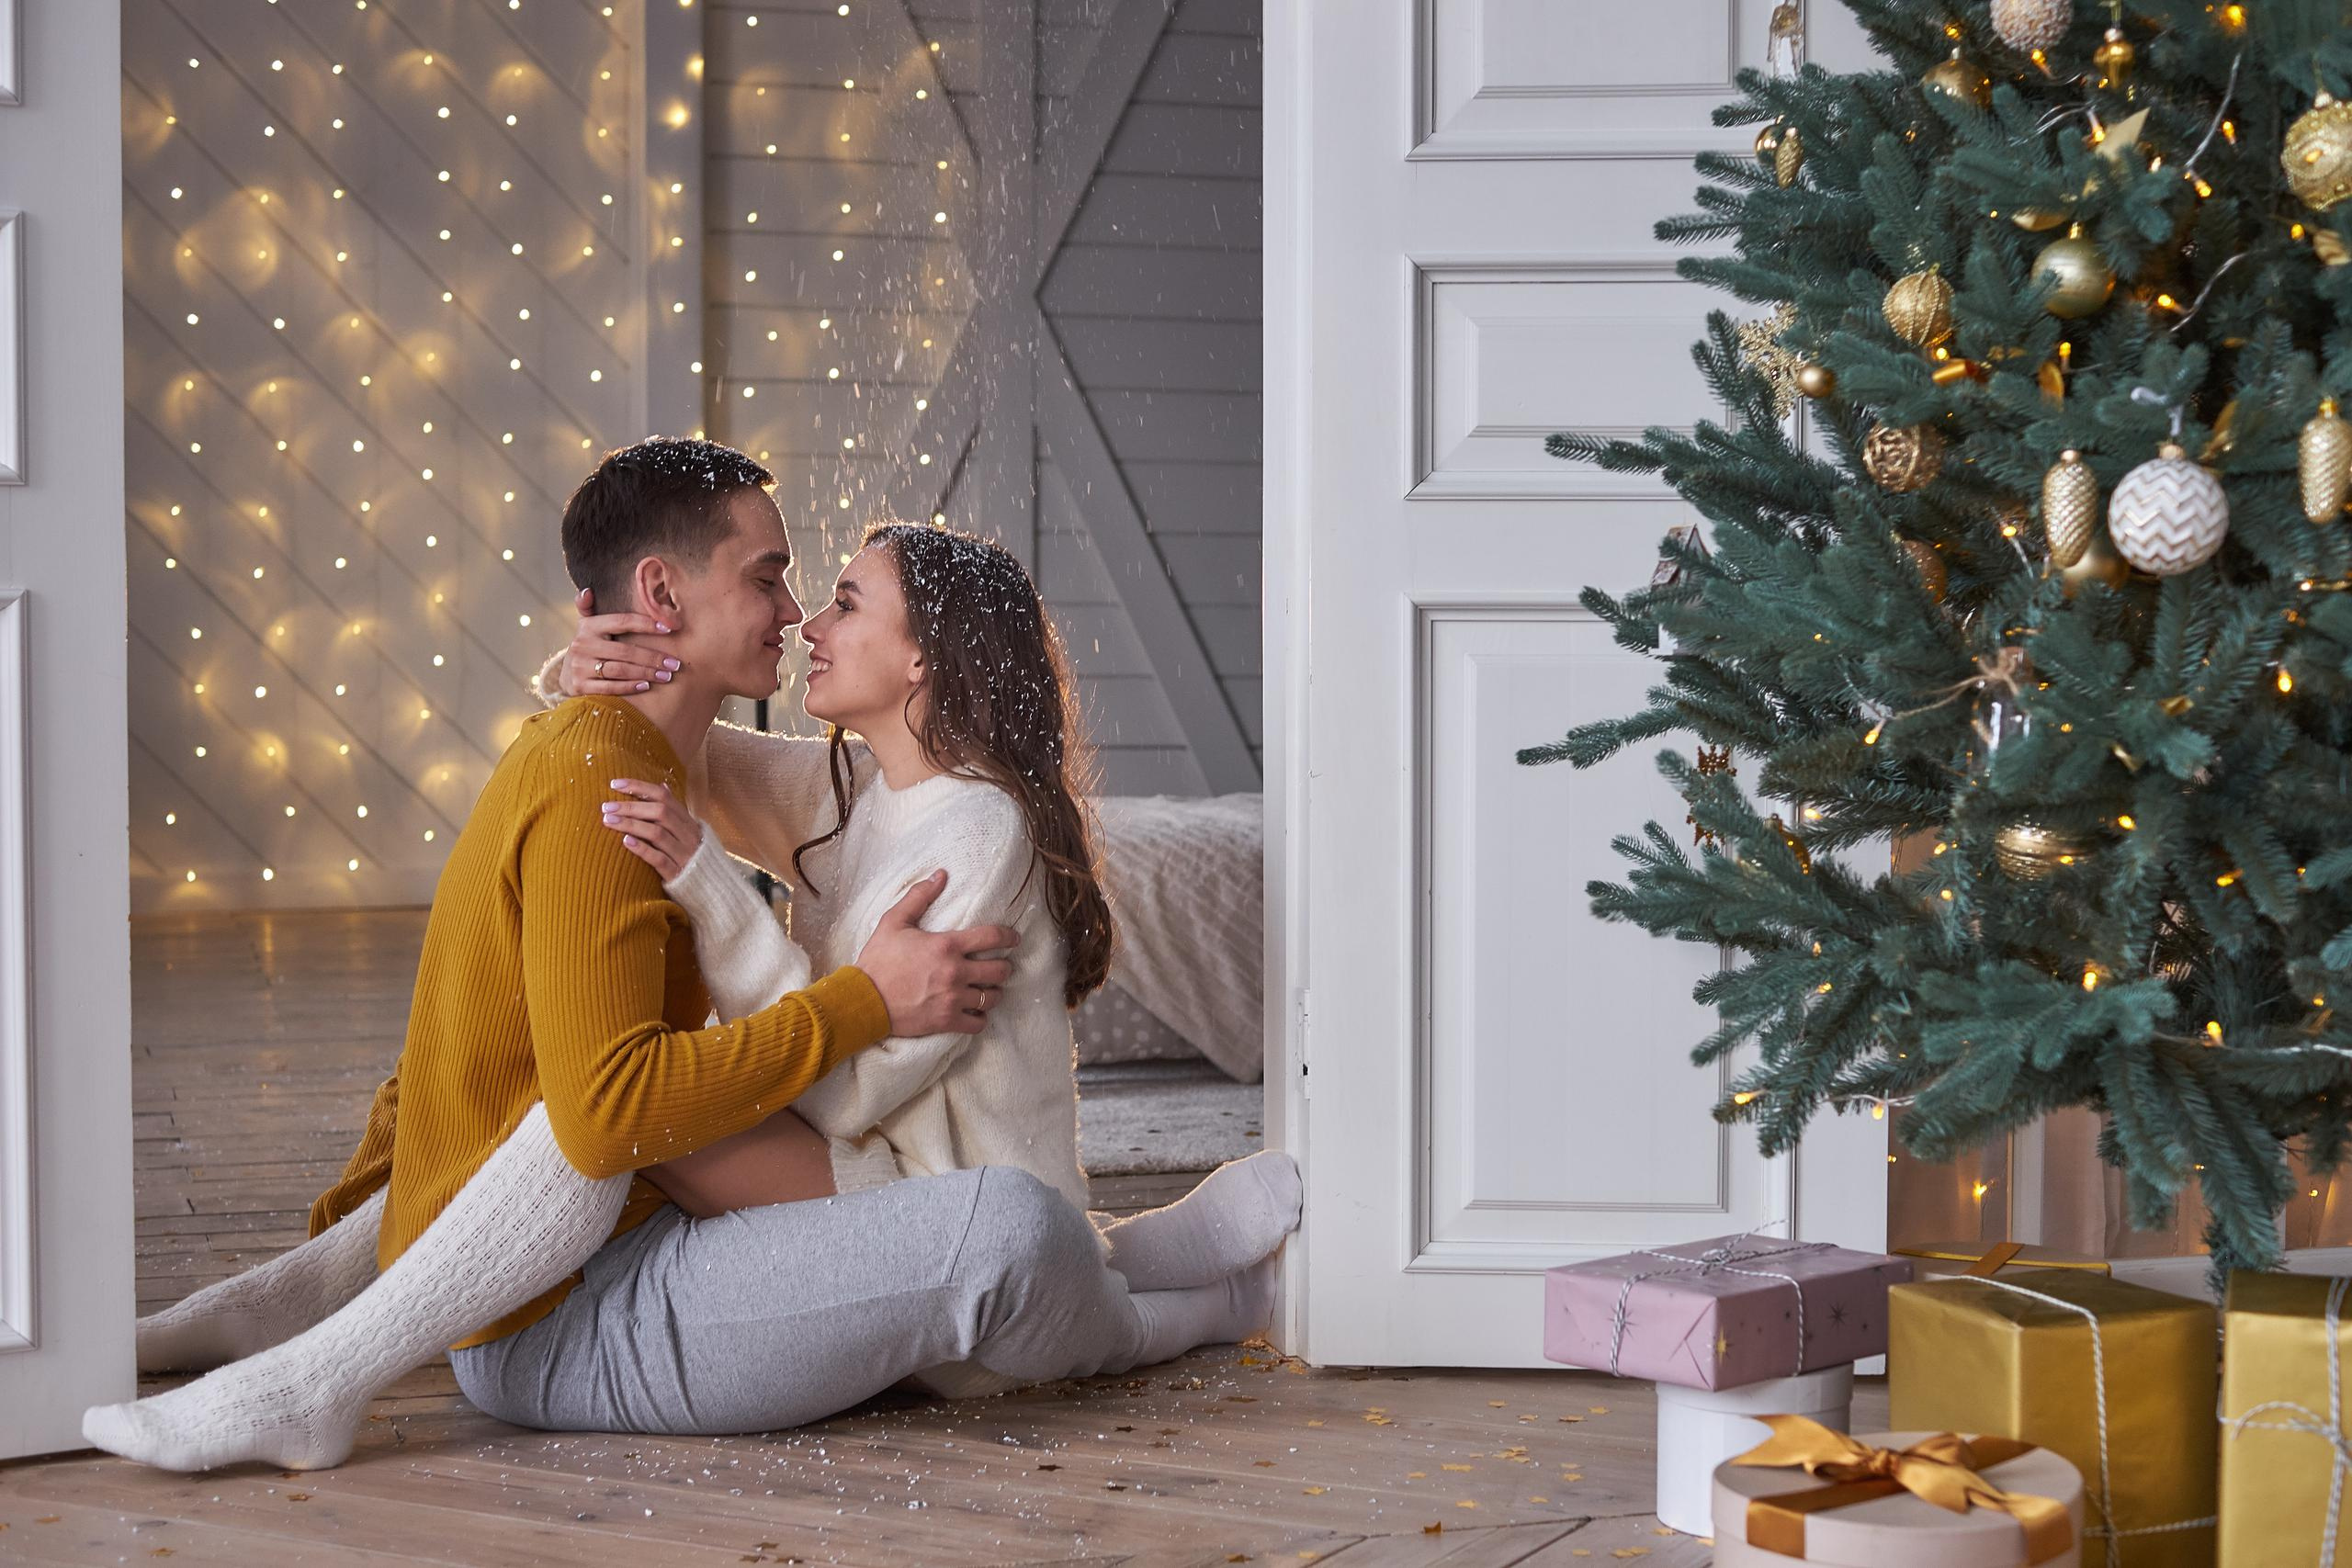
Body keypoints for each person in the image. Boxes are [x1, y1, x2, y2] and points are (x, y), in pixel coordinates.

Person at [85, 438, 1295, 1473]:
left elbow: (724, 819)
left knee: (651, 1108)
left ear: (923, 658)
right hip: (809, 1185)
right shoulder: (809, 790)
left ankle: (293, 1343)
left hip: (886, 1170)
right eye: (775, 579)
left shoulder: (943, 825)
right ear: (665, 593)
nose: (802, 617)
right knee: (617, 1099)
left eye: (836, 600)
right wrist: (591, 676)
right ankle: (297, 1346)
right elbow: (707, 777)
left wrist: (719, 871)